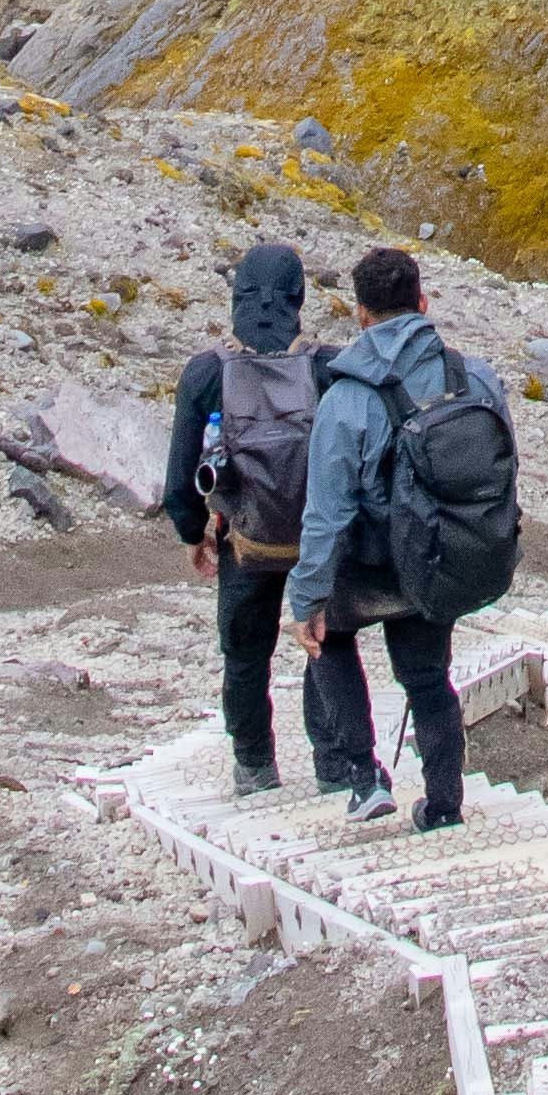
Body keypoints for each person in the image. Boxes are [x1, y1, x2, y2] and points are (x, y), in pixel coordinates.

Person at [292, 244, 513, 832]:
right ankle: (443, 804)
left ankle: (365, 780)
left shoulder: (346, 397)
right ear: (423, 302)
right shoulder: (474, 376)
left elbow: (325, 513)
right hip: (436, 559)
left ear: (361, 314)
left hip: (368, 566)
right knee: (429, 679)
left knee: (329, 642)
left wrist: (306, 598)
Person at [158, 240, 318, 796]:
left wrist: (192, 533)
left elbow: (180, 478)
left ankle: (255, 767)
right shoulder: (325, 365)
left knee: (246, 653)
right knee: (327, 644)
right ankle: (336, 764)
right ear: (298, 296)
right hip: (317, 538)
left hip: (243, 537)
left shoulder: (207, 371)